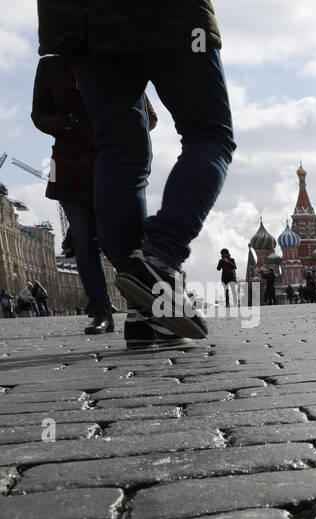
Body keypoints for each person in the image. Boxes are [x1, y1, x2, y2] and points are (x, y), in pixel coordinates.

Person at [39, 0, 235, 347]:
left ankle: (143, 313)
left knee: (117, 150)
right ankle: (161, 256)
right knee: (209, 134)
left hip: (80, 23)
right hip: (174, 16)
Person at [32, 54, 158, 335]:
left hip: (109, 166)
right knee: (84, 240)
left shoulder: (113, 59)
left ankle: (139, 306)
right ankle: (100, 311)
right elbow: (38, 114)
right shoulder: (50, 66)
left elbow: (149, 117)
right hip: (66, 165)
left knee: (117, 240)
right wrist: (65, 124)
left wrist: (118, 138)